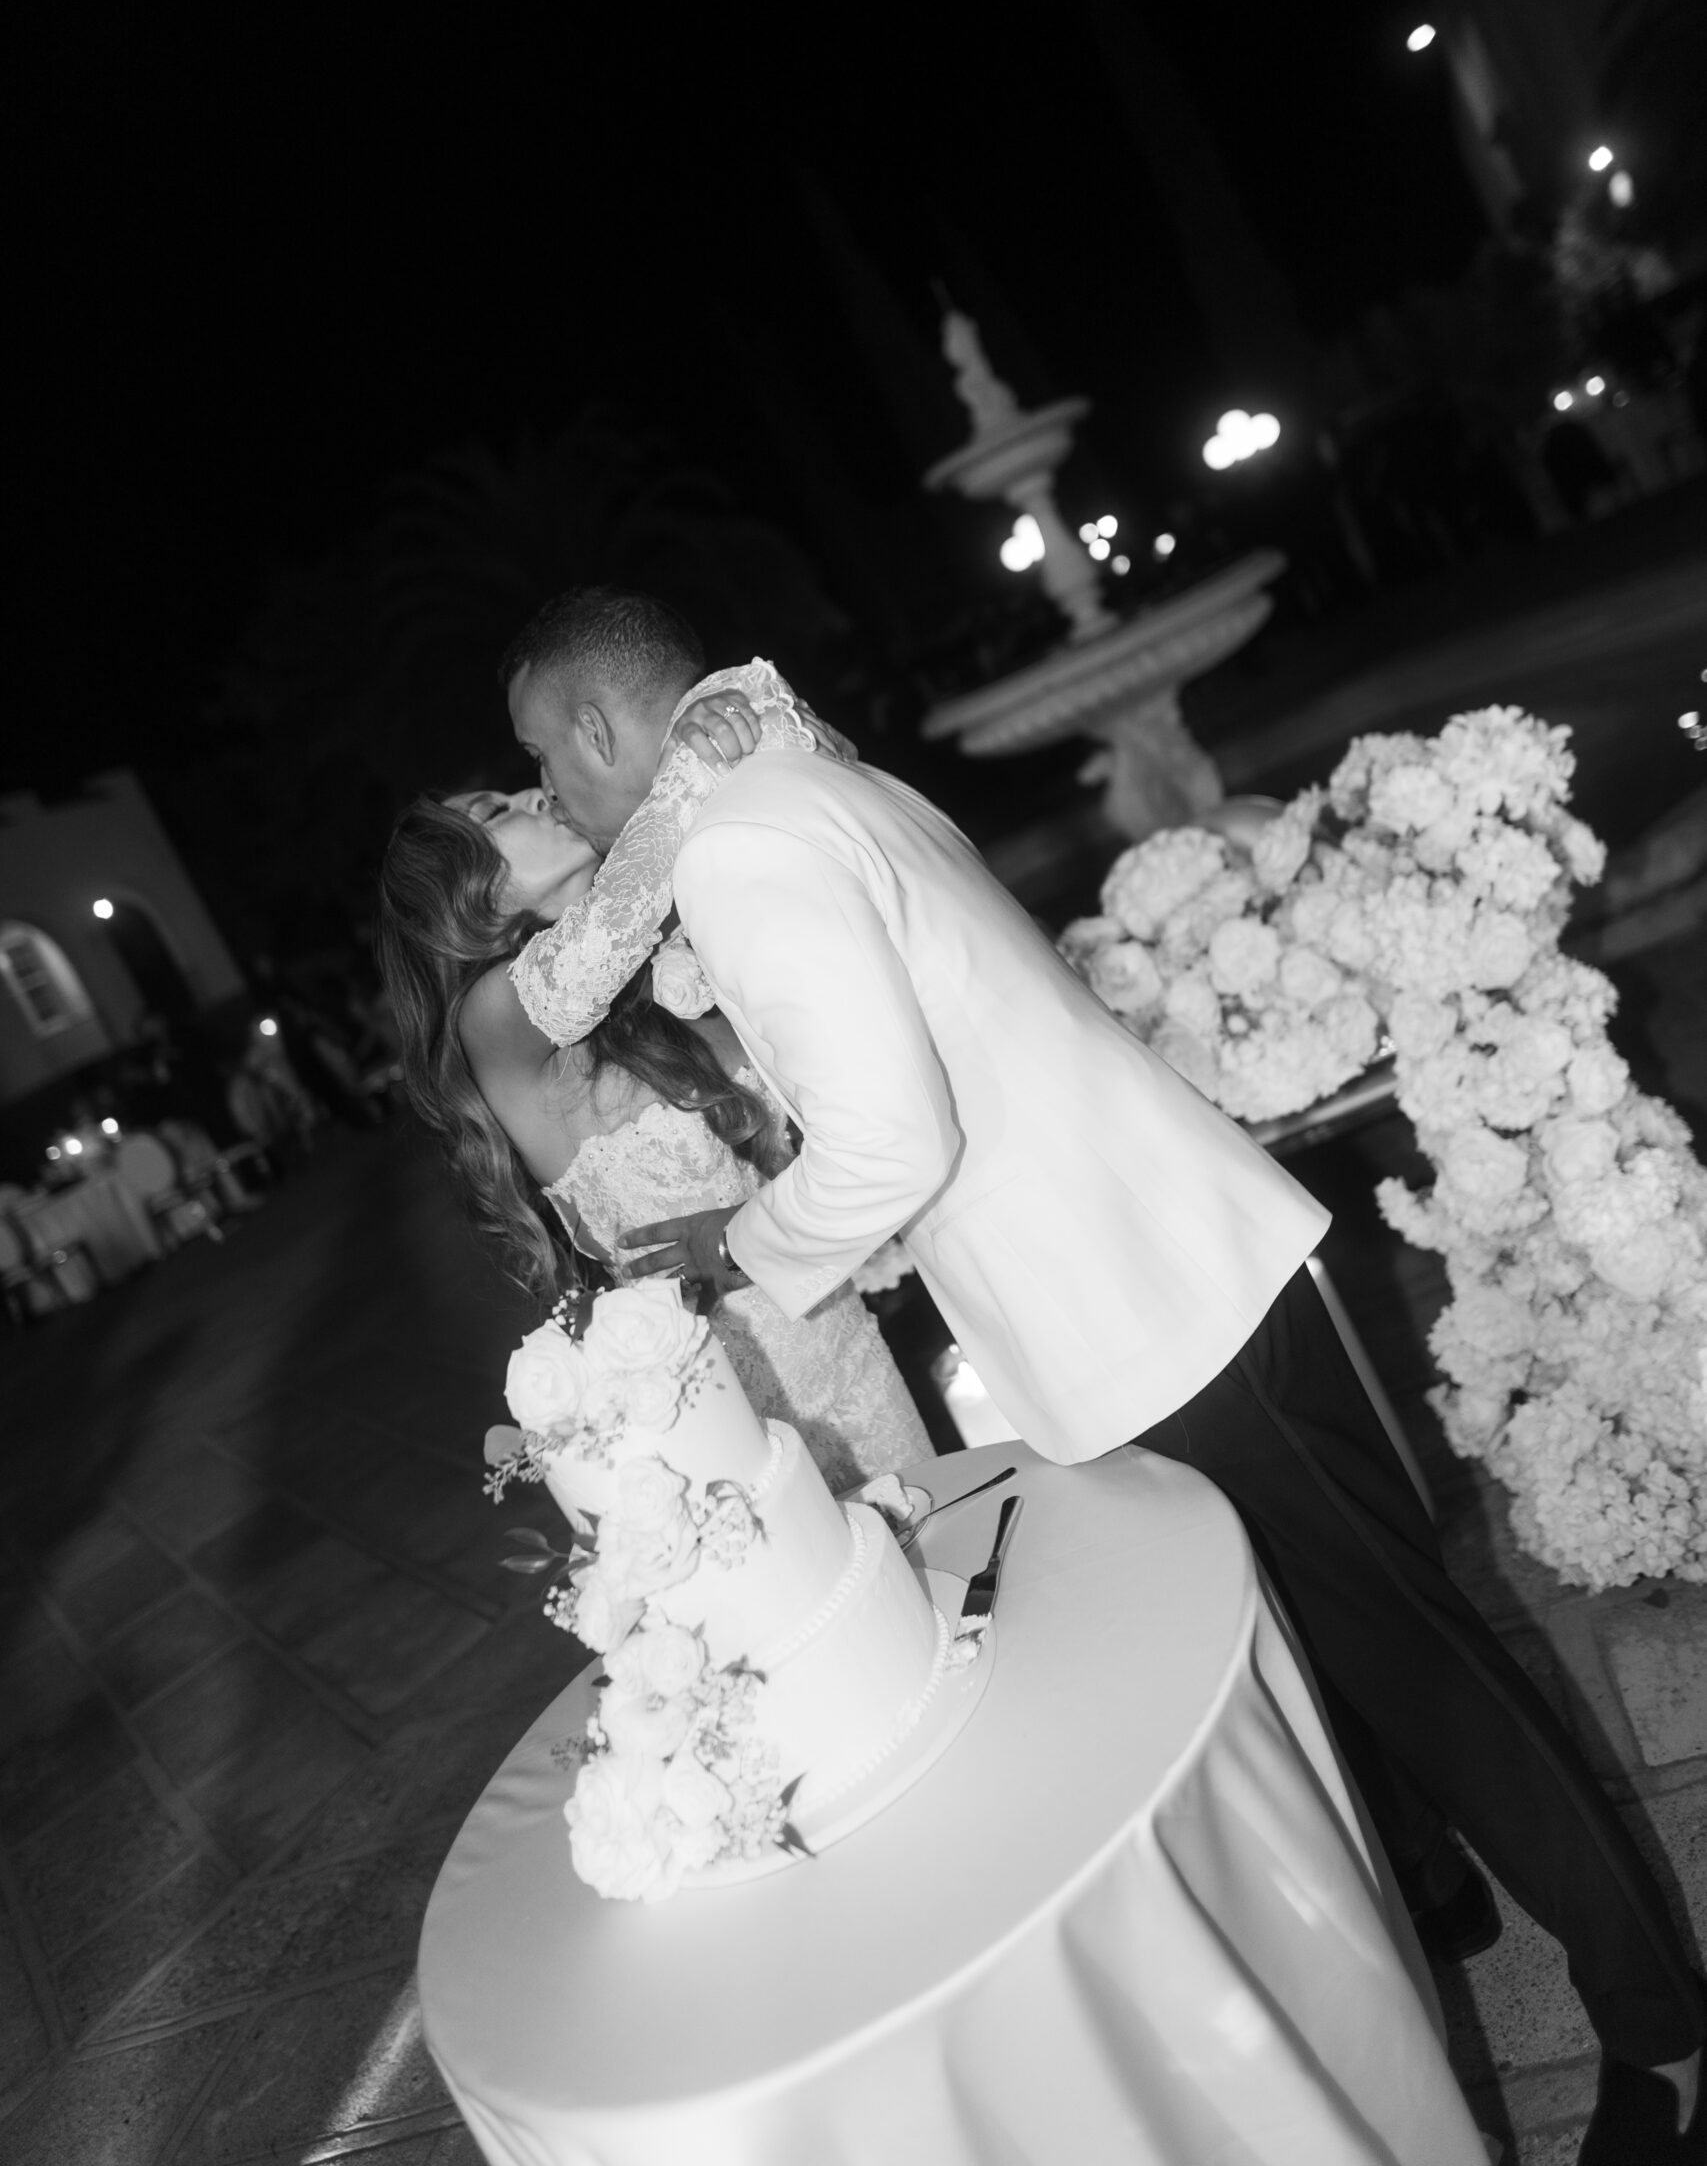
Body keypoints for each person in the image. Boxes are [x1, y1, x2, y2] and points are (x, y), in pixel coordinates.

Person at [497, 585, 1703, 2166]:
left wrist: (739, 1249)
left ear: (601, 726)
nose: (562, 804)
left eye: (545, 761)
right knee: (1334, 1658)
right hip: (1147, 1289)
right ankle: (1432, 1893)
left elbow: (886, 1140)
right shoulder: (803, 783)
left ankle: (1662, 2032)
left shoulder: (740, 841)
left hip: (1161, 1307)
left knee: (1419, 1671)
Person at [374, 676, 932, 1498]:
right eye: (497, 811)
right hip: (739, 1427)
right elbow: (614, 918)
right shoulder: (494, 1023)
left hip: (856, 1356)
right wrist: (691, 752)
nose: (537, 792)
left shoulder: (663, 977)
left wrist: (755, 728)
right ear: (462, 891)